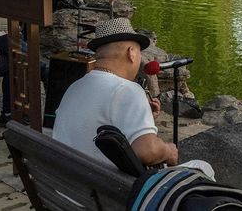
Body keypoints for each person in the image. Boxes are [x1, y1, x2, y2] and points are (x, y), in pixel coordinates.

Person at [53, 18, 179, 167]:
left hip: (63, 184)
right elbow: (148, 152)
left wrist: (143, 116)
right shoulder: (128, 90)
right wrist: (168, 151)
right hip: (101, 188)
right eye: (140, 53)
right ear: (131, 53)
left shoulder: (75, 87)